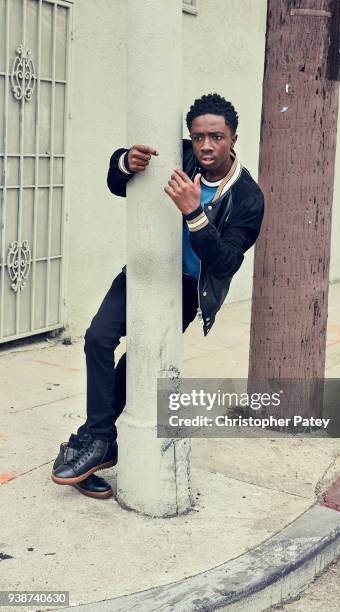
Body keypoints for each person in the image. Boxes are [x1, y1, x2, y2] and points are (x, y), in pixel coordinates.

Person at [51, 93, 264, 498]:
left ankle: (90, 443)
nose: (205, 146)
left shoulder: (248, 197)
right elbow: (119, 183)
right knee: (98, 338)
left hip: (188, 287)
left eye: (216, 137)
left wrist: (194, 213)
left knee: (137, 361)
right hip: (146, 268)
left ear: (233, 137)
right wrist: (123, 161)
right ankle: (97, 440)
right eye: (198, 136)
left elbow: (225, 263)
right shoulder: (177, 157)